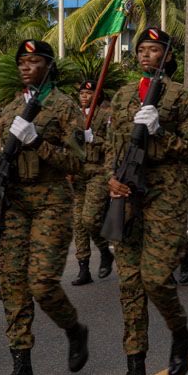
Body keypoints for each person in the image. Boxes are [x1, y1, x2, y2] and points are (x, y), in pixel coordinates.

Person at [0, 39, 89, 375]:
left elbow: (77, 161)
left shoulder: (65, 107)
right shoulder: (10, 109)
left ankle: (74, 328)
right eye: (22, 61)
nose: (26, 66)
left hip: (51, 200)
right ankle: (22, 368)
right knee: (12, 284)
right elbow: (1, 158)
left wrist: (38, 141)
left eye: (34, 61)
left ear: (48, 66)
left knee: (41, 283)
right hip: (15, 203)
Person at [104, 28, 188, 375]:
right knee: (129, 284)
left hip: (165, 195)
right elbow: (113, 150)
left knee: (156, 277)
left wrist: (161, 133)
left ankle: (179, 330)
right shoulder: (124, 95)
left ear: (167, 56)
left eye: (154, 50)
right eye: (142, 49)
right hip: (128, 196)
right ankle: (136, 370)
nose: (146, 55)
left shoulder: (179, 97)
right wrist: (112, 181)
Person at [71, 79, 114, 286]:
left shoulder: (106, 117)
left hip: (98, 172)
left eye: (89, 94)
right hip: (78, 174)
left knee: (90, 219)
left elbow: (113, 145)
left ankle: (105, 250)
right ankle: (83, 267)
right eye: (82, 94)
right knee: (78, 224)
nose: (85, 97)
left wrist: (93, 139)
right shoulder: (74, 117)